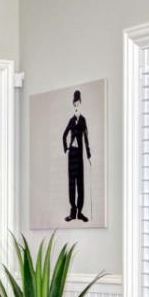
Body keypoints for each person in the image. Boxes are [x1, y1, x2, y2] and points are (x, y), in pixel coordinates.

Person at [62, 90, 91, 222]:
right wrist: (66, 148)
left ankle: (80, 212)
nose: (76, 105)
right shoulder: (71, 120)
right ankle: (72, 212)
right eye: (75, 103)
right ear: (73, 104)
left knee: (80, 183)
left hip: (79, 155)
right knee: (71, 184)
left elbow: (86, 138)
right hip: (71, 155)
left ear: (80, 103)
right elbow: (64, 135)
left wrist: (89, 154)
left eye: (78, 103)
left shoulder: (83, 120)